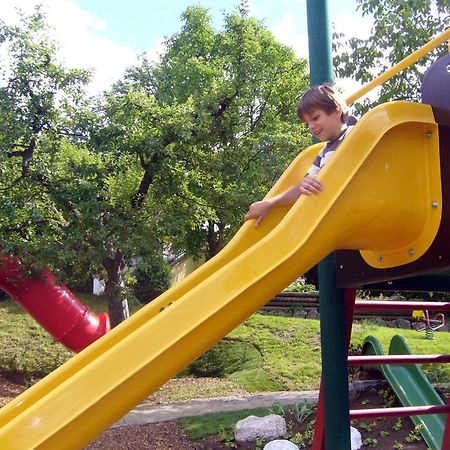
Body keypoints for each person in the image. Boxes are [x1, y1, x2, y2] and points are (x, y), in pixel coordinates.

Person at [244, 83, 354, 228]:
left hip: (359, 206)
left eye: (315, 118)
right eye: (307, 123)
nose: (310, 127)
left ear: (336, 110)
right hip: (337, 220)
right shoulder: (322, 154)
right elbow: (303, 188)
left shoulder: (354, 134)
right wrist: (270, 203)